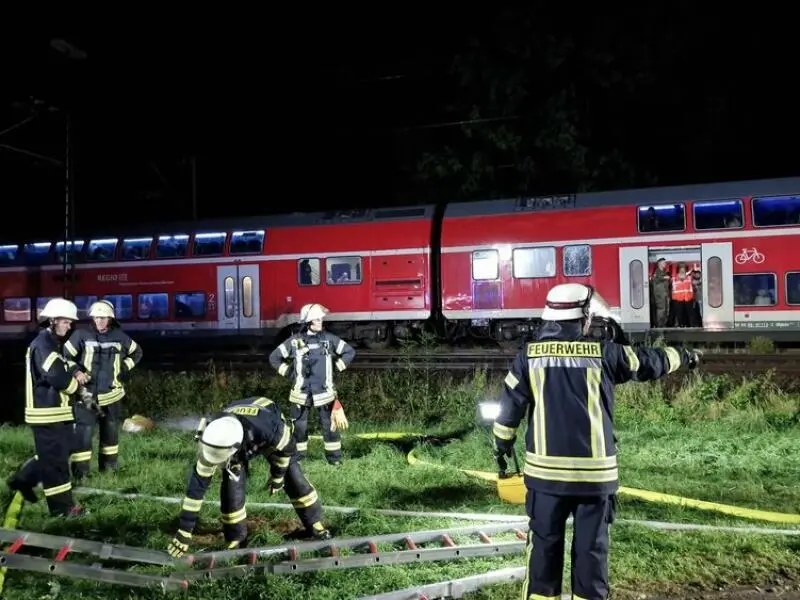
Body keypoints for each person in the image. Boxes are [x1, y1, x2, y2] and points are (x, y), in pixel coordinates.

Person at [491, 283, 701, 600]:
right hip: (595, 479)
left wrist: (501, 448)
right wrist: (684, 357)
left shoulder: (528, 357)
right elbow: (648, 361)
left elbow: (508, 411)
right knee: (592, 552)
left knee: (544, 550)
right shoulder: (605, 353)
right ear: (585, 318)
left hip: (546, 480)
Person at [167, 397, 332, 558]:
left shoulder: (270, 429)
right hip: (238, 432)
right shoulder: (214, 436)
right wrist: (184, 530)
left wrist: (277, 477)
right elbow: (196, 490)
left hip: (265, 431)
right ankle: (235, 539)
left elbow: (286, 450)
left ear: (235, 448)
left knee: (294, 477)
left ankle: (314, 523)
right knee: (231, 491)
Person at [7, 298, 88, 517]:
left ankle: (22, 481)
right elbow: (55, 375)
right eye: (66, 322)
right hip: (46, 413)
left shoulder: (50, 343)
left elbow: (62, 367)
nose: (69, 326)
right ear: (52, 320)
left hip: (54, 413)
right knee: (56, 464)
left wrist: (76, 371)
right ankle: (63, 510)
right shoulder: (43, 344)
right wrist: (75, 389)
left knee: (57, 453)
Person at [63, 299, 143, 478]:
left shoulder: (121, 336)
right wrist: (76, 372)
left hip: (112, 395)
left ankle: (109, 471)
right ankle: (80, 475)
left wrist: (124, 367)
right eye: (97, 318)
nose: (99, 321)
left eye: (103, 318)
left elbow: (138, 352)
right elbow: (65, 356)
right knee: (84, 435)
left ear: (110, 319)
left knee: (110, 435)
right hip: (87, 395)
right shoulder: (81, 335)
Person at [268, 303, 355, 465]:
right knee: (299, 429)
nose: (320, 322)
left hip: (325, 394)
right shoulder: (294, 342)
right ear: (308, 322)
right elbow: (274, 358)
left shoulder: (329, 340)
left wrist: (336, 368)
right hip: (300, 394)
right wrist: (288, 373)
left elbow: (349, 352)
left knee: (330, 427)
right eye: (317, 319)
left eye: (320, 319)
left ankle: (334, 460)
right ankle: (298, 461)